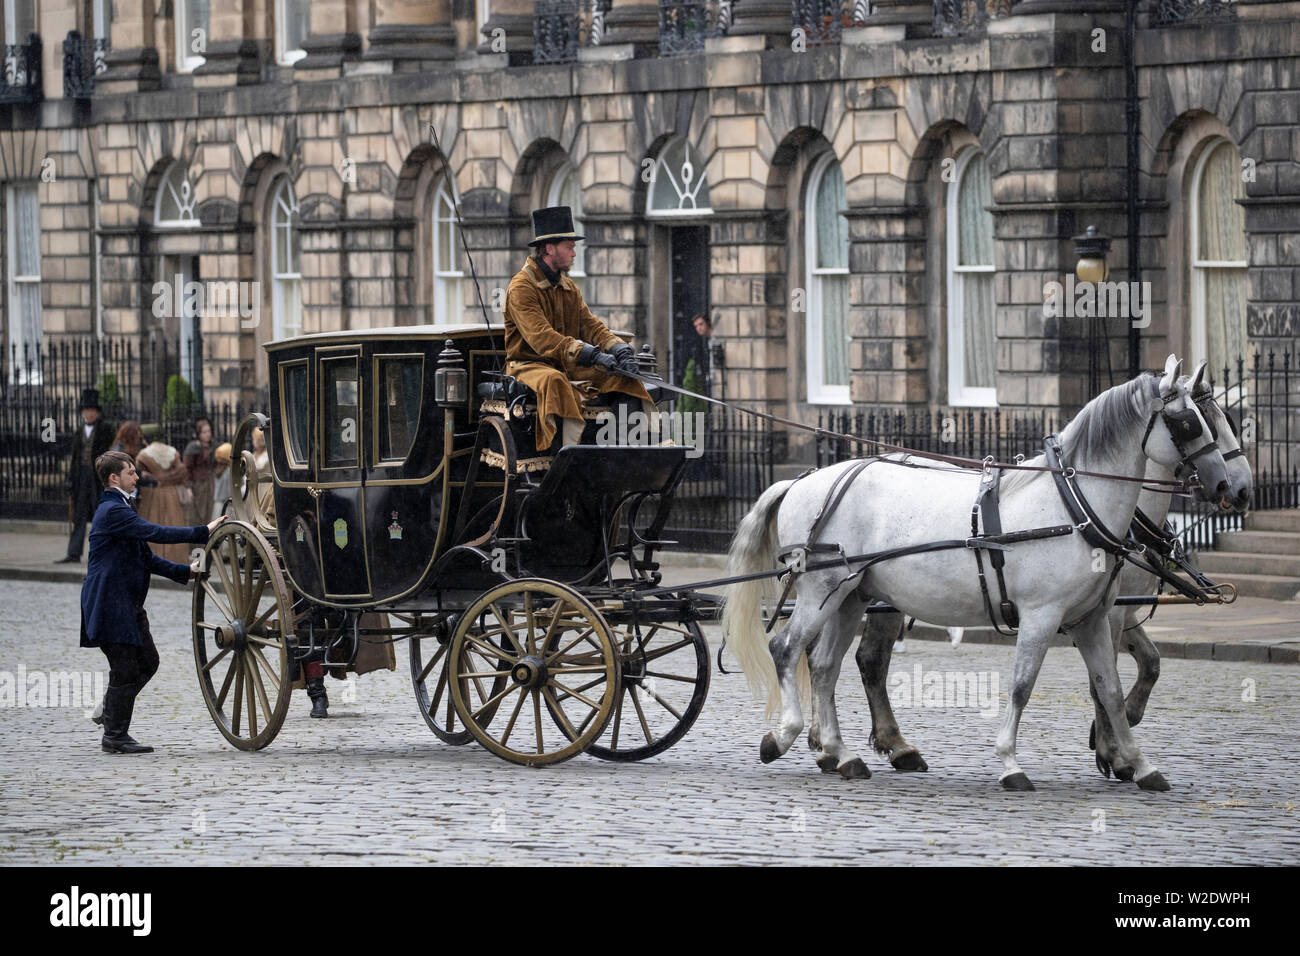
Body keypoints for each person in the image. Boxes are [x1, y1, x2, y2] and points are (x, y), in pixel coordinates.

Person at [81, 450, 225, 753]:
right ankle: (115, 735)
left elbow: (145, 557)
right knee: (124, 668)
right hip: (109, 603)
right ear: (113, 478)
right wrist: (202, 530)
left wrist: (186, 571)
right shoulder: (112, 510)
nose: (137, 476)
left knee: (149, 661)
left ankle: (110, 710)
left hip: (127, 603)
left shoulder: (123, 506)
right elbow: (155, 532)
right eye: (131, 472)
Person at [503, 205, 654, 450]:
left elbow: (590, 325)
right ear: (550, 248)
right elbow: (542, 338)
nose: (575, 253)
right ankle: (565, 454)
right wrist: (590, 354)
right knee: (554, 381)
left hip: (567, 364)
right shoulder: (521, 287)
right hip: (528, 365)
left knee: (626, 379)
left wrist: (618, 348)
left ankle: (625, 451)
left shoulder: (569, 287)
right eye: (569, 246)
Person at [56, 389, 115, 564]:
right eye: (86, 410)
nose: (89, 414)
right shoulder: (78, 431)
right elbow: (75, 458)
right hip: (82, 477)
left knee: (101, 516)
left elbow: (110, 454)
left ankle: (104, 553)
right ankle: (74, 553)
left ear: (97, 412)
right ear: (82, 412)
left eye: (92, 410)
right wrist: (70, 480)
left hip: (98, 478)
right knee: (79, 516)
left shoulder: (106, 429)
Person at [134, 424, 191, 564]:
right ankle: (175, 557)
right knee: (173, 522)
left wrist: (156, 478)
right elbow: (182, 473)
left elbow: (139, 476)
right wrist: (167, 478)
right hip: (171, 492)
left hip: (152, 494)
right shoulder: (172, 452)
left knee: (153, 522)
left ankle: (153, 558)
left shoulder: (143, 455)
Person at [183, 417, 216, 527]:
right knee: (197, 514)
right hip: (197, 485)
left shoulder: (212, 446)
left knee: (209, 512)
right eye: (204, 432)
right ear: (199, 433)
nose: (208, 434)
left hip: (210, 484)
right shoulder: (193, 447)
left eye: (209, 431)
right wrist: (188, 487)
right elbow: (187, 468)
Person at [211, 441, 232, 521]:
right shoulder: (228, 471)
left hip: (217, 504)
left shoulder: (218, 469)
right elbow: (229, 490)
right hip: (227, 505)